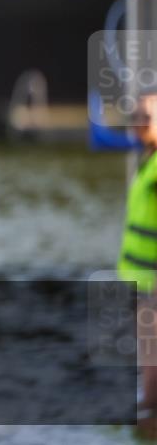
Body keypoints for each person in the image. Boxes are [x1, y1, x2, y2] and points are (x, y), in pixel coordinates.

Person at [116, 91, 157, 436]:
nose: (139, 121)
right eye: (138, 115)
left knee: (152, 374)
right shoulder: (146, 159)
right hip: (140, 282)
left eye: (148, 116)